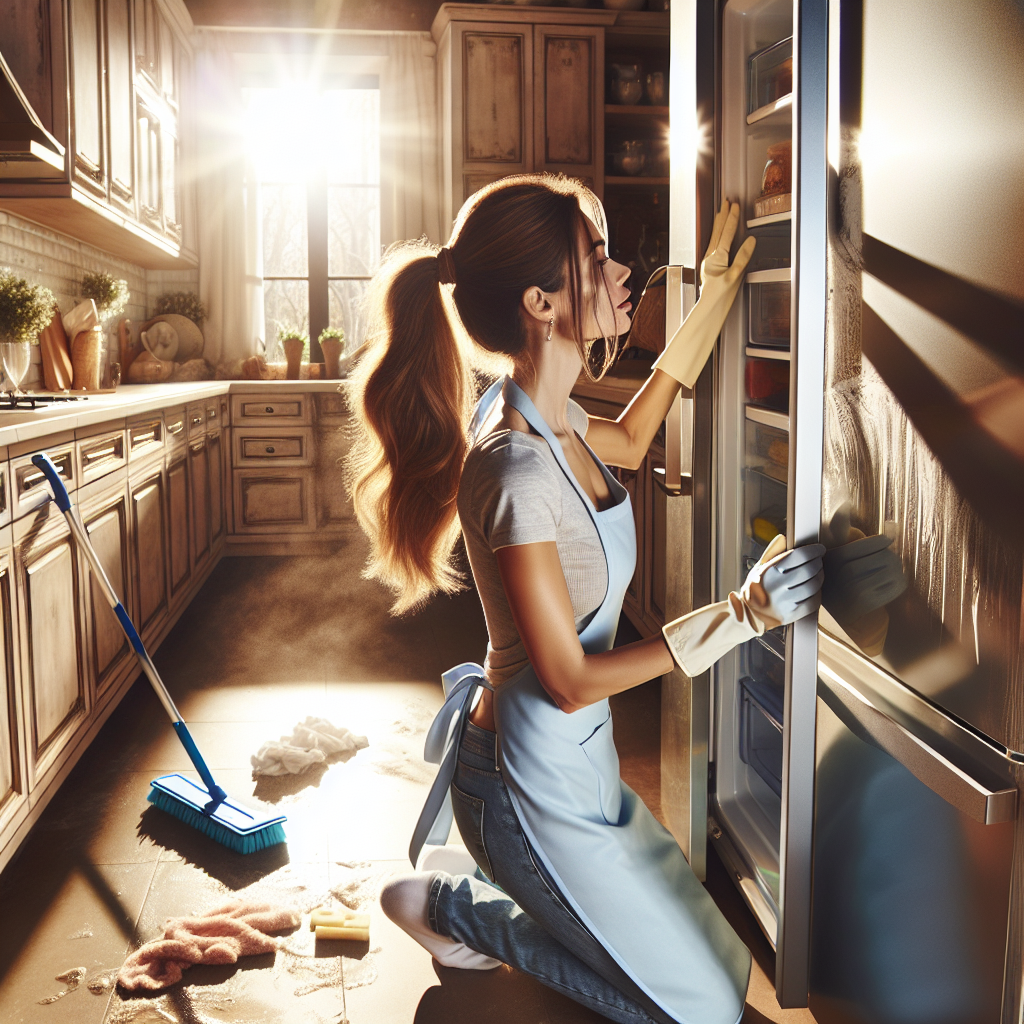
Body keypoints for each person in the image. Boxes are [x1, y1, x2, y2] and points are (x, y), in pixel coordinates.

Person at [344, 175, 825, 1024]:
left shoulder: (552, 415)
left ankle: (509, 907)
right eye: (595, 257)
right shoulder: (513, 464)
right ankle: (450, 912)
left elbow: (636, 437)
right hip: (522, 783)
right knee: (698, 1012)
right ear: (540, 301)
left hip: (579, 763)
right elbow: (565, 679)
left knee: (723, 971)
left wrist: (711, 301)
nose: (620, 270)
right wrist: (740, 616)